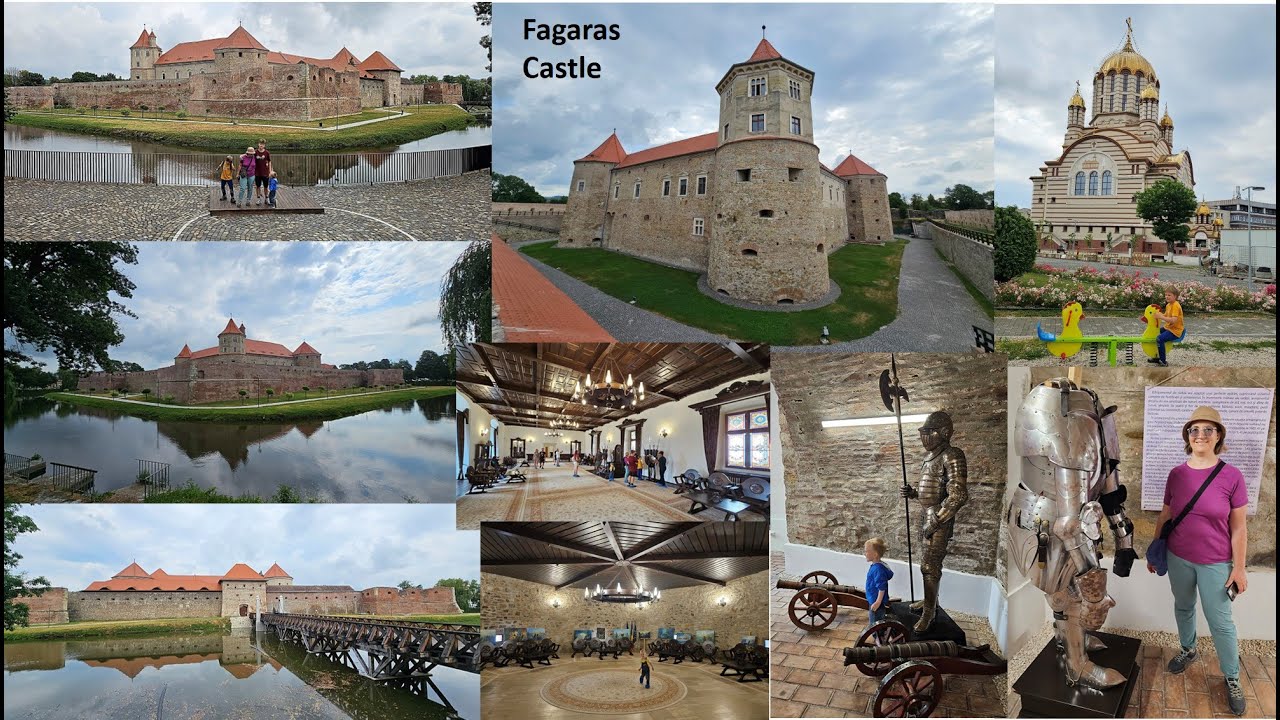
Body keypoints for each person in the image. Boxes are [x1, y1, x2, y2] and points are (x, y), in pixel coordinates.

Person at [1147, 406, 1249, 716]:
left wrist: (1239, 568)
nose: (1200, 435)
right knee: (1183, 606)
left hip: (1216, 562)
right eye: (1194, 430)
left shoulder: (1232, 476)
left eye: (1208, 430)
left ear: (1218, 436)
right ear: (1187, 436)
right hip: (1178, 557)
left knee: (1221, 622)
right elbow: (1166, 515)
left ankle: (1232, 677)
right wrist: (1156, 549)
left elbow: (1239, 528)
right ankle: (1188, 649)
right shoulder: (1176, 474)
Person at [1149, 286, 1185, 367]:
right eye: (1166, 295)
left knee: (1159, 338)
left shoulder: (1175, 306)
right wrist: (1158, 315)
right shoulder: (1168, 305)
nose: (1167, 297)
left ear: (1175, 296)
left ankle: (1163, 361)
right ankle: (1157, 356)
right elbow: (1166, 315)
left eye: (1169, 295)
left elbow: (1173, 320)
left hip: (1175, 331)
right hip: (1169, 328)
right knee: (1155, 332)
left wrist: (1161, 317)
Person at [864, 537, 893, 627]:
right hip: (873, 597)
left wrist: (878, 602)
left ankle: (876, 633)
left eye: (867, 551)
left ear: (875, 554)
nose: (865, 554)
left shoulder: (878, 569)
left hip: (876, 600)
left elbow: (881, 587)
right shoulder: (878, 566)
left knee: (875, 622)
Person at [253, 140, 272, 206]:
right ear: (258, 144)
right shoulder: (255, 152)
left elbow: (269, 161)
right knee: (258, 186)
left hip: (265, 172)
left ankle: (266, 198)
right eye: (260, 144)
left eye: (262, 144)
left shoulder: (267, 152)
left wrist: (270, 171)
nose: (261, 145)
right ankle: (258, 198)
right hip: (257, 172)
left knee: (266, 186)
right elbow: (249, 157)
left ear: (264, 145)